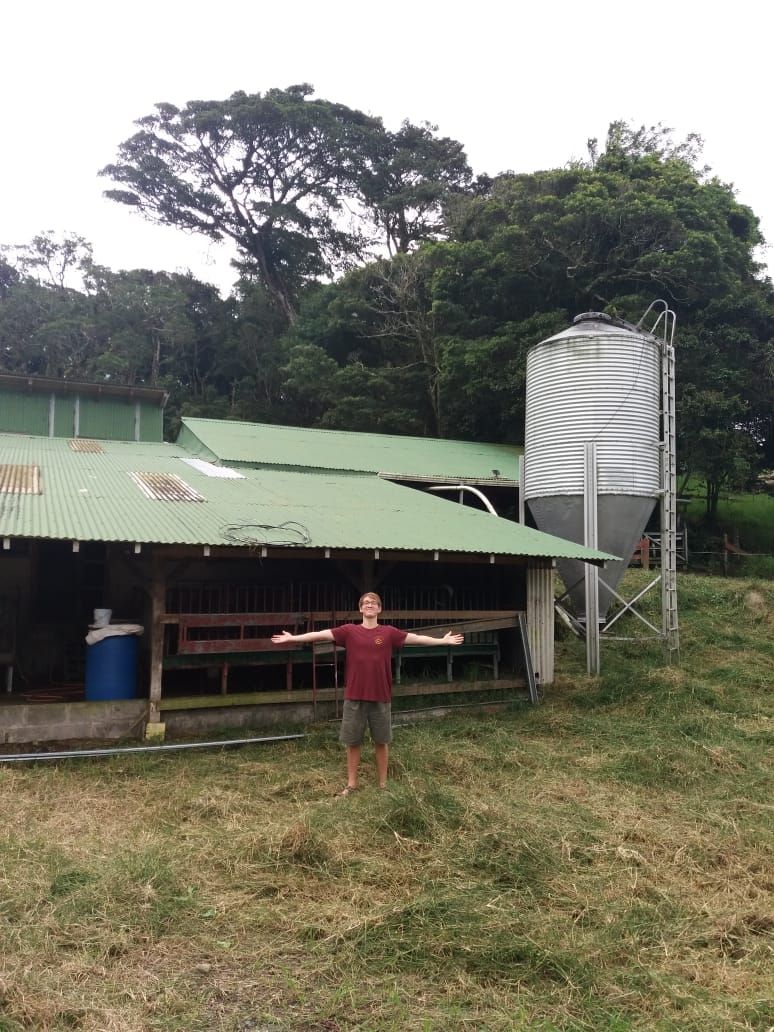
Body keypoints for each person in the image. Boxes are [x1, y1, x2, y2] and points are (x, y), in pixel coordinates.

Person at [271, 591, 464, 795]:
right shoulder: (349, 631)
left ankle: (383, 785)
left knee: (382, 741)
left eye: (373, 602)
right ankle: (352, 784)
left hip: (381, 696)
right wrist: (293, 638)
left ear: (379, 608)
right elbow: (320, 634)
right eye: (365, 602)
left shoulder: (389, 632)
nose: (369, 604)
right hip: (354, 696)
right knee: (353, 742)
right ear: (360, 608)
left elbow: (415, 638)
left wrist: (442, 641)